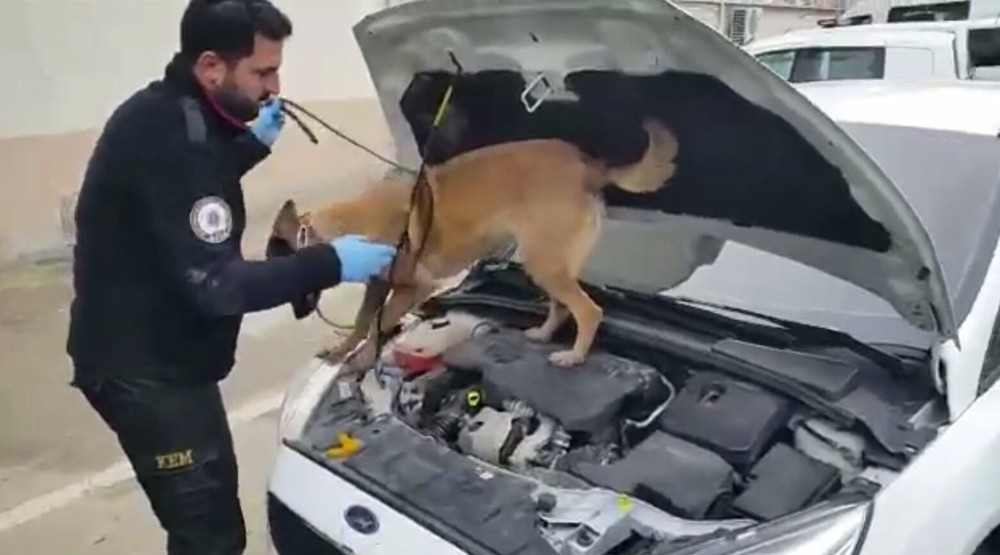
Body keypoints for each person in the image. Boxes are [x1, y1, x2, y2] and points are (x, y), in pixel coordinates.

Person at [64, 0, 395, 553]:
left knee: (208, 525)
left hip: (161, 353)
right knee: (210, 537)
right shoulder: (176, 139)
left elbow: (178, 197)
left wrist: (246, 148)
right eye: (263, 72)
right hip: (146, 374)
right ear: (212, 67)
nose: (275, 86)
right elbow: (220, 286)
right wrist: (331, 262)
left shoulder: (170, 111)